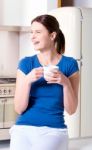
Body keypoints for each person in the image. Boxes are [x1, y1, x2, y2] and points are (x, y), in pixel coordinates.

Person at [9, 14, 79, 150]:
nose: (32, 37)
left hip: (53, 130)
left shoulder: (69, 65)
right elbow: (19, 108)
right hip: (23, 128)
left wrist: (65, 83)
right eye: (31, 32)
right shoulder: (26, 64)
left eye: (38, 32)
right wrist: (27, 80)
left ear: (52, 36)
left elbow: (71, 110)